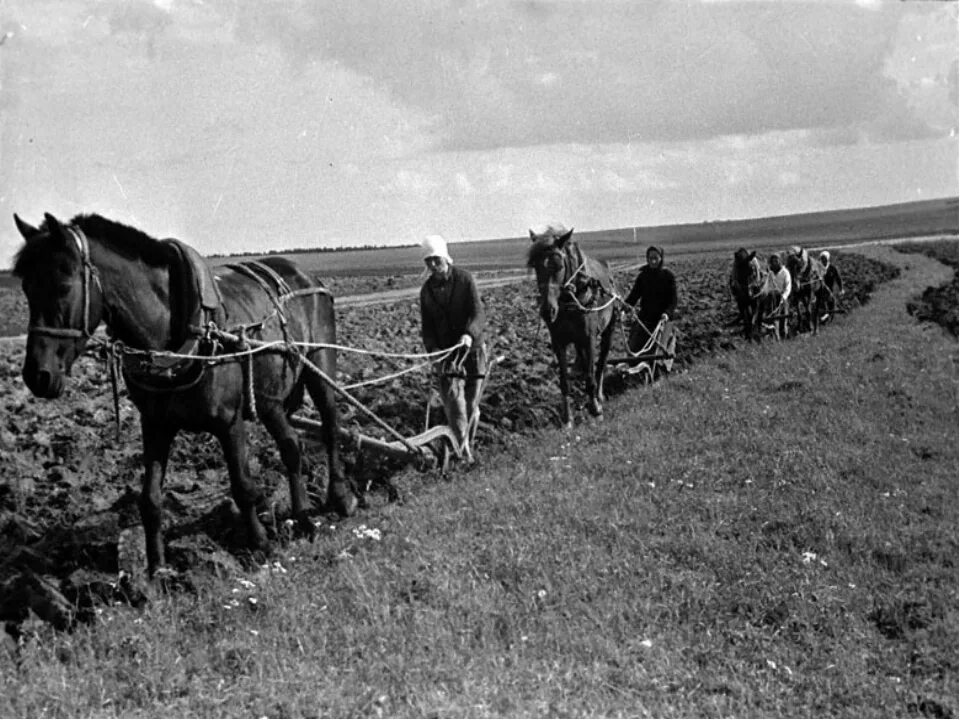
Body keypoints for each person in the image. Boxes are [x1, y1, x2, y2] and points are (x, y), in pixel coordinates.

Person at [419, 234, 487, 464]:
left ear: (445, 258)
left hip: (471, 351)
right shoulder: (426, 292)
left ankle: (466, 443)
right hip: (447, 356)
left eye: (436, 260)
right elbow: (427, 328)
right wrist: (433, 349)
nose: (433, 266)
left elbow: (478, 313)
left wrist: (469, 334)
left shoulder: (465, 280)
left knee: (471, 407)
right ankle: (465, 454)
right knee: (455, 407)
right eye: (428, 262)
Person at [622, 245, 677, 353]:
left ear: (661, 258)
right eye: (650, 258)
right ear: (647, 259)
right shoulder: (643, 277)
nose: (653, 261)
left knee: (659, 351)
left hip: (662, 319)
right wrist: (624, 309)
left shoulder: (668, 276)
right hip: (645, 318)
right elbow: (633, 296)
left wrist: (667, 313)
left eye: (656, 258)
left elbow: (673, 300)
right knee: (632, 348)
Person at [765, 253, 792, 337]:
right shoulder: (769, 273)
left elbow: (788, 286)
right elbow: (767, 285)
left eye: (776, 261)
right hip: (771, 296)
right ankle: (773, 334)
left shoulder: (785, 272)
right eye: (773, 261)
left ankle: (784, 333)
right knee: (770, 315)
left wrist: (784, 297)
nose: (775, 263)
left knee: (783, 317)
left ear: (780, 261)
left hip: (782, 297)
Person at [818, 250, 844, 321]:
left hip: (830, 289)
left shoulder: (832, 268)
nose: (823, 261)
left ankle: (829, 316)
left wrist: (841, 289)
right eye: (822, 259)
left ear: (828, 259)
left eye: (825, 259)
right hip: (820, 290)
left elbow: (838, 278)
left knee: (831, 302)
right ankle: (823, 315)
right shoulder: (818, 268)